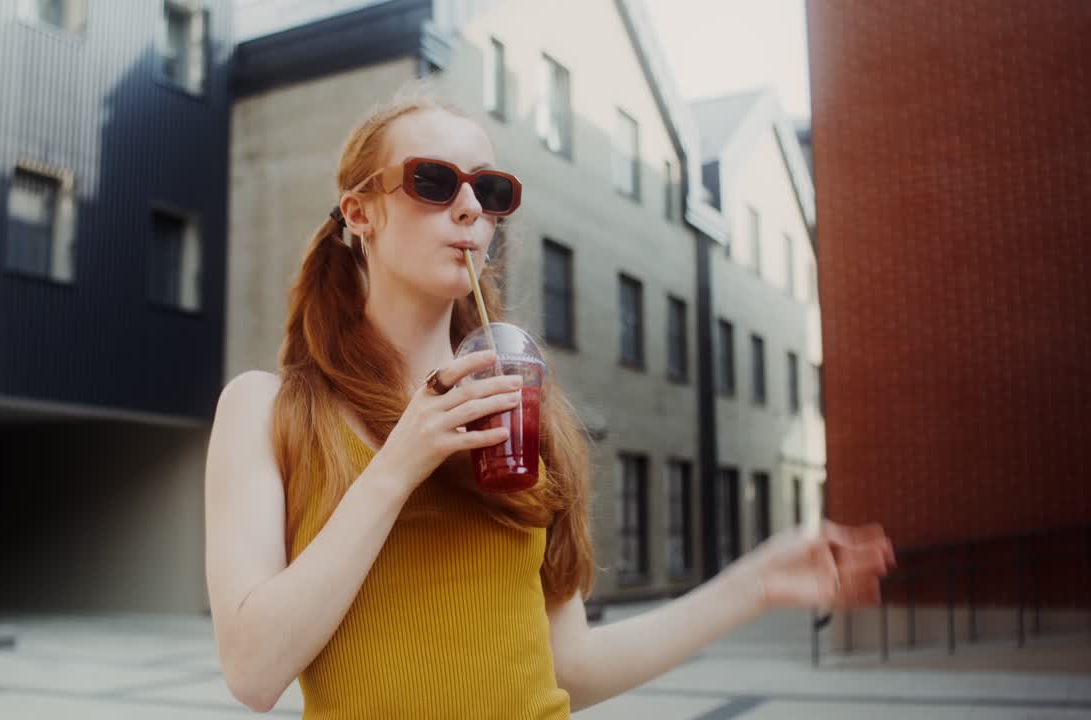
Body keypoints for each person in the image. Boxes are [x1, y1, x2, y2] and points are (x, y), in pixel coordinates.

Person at [204, 95, 895, 718]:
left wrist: (756, 584)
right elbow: (254, 673)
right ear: (360, 213)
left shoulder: (522, 407)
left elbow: (569, 667)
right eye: (435, 182)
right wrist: (396, 467)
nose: (471, 208)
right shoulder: (267, 409)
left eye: (490, 189)